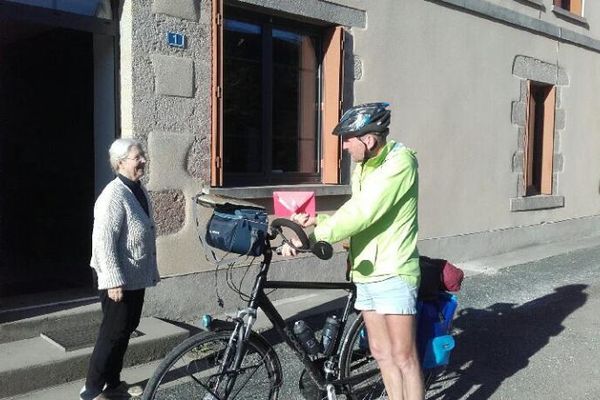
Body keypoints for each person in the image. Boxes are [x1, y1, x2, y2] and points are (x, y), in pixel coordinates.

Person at [282, 102, 424, 400]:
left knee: (403, 357)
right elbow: (356, 211)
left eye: (348, 139)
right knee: (381, 353)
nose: (344, 146)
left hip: (393, 271)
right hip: (365, 271)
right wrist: (317, 220)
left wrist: (313, 236)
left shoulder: (400, 163)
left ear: (368, 139)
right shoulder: (364, 167)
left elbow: (365, 211)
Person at [80, 138, 160, 400]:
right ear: (120, 162)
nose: (143, 160)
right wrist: (113, 280)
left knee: (126, 328)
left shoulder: (138, 189)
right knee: (112, 333)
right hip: (118, 278)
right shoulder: (113, 195)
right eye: (138, 157)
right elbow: (103, 242)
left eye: (142, 155)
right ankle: (91, 389)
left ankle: (112, 384)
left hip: (134, 276)